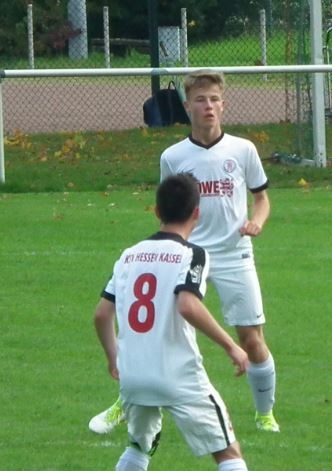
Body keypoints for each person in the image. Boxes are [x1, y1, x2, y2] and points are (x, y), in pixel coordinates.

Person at [87, 173, 275, 471]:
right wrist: (231, 347)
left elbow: (101, 315)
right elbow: (187, 305)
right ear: (197, 214)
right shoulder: (193, 254)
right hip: (179, 375)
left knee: (138, 446)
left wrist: (113, 358)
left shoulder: (128, 255)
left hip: (135, 376)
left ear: (156, 211)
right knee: (227, 450)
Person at [90, 69, 280, 435]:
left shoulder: (243, 150)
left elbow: (262, 199)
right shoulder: (173, 156)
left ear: (223, 105)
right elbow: (169, 206)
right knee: (156, 332)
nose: (208, 106)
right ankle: (124, 401)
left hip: (234, 255)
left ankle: (265, 413)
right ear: (187, 106)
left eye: (214, 99)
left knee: (252, 339)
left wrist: (257, 222)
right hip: (185, 255)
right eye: (200, 100)